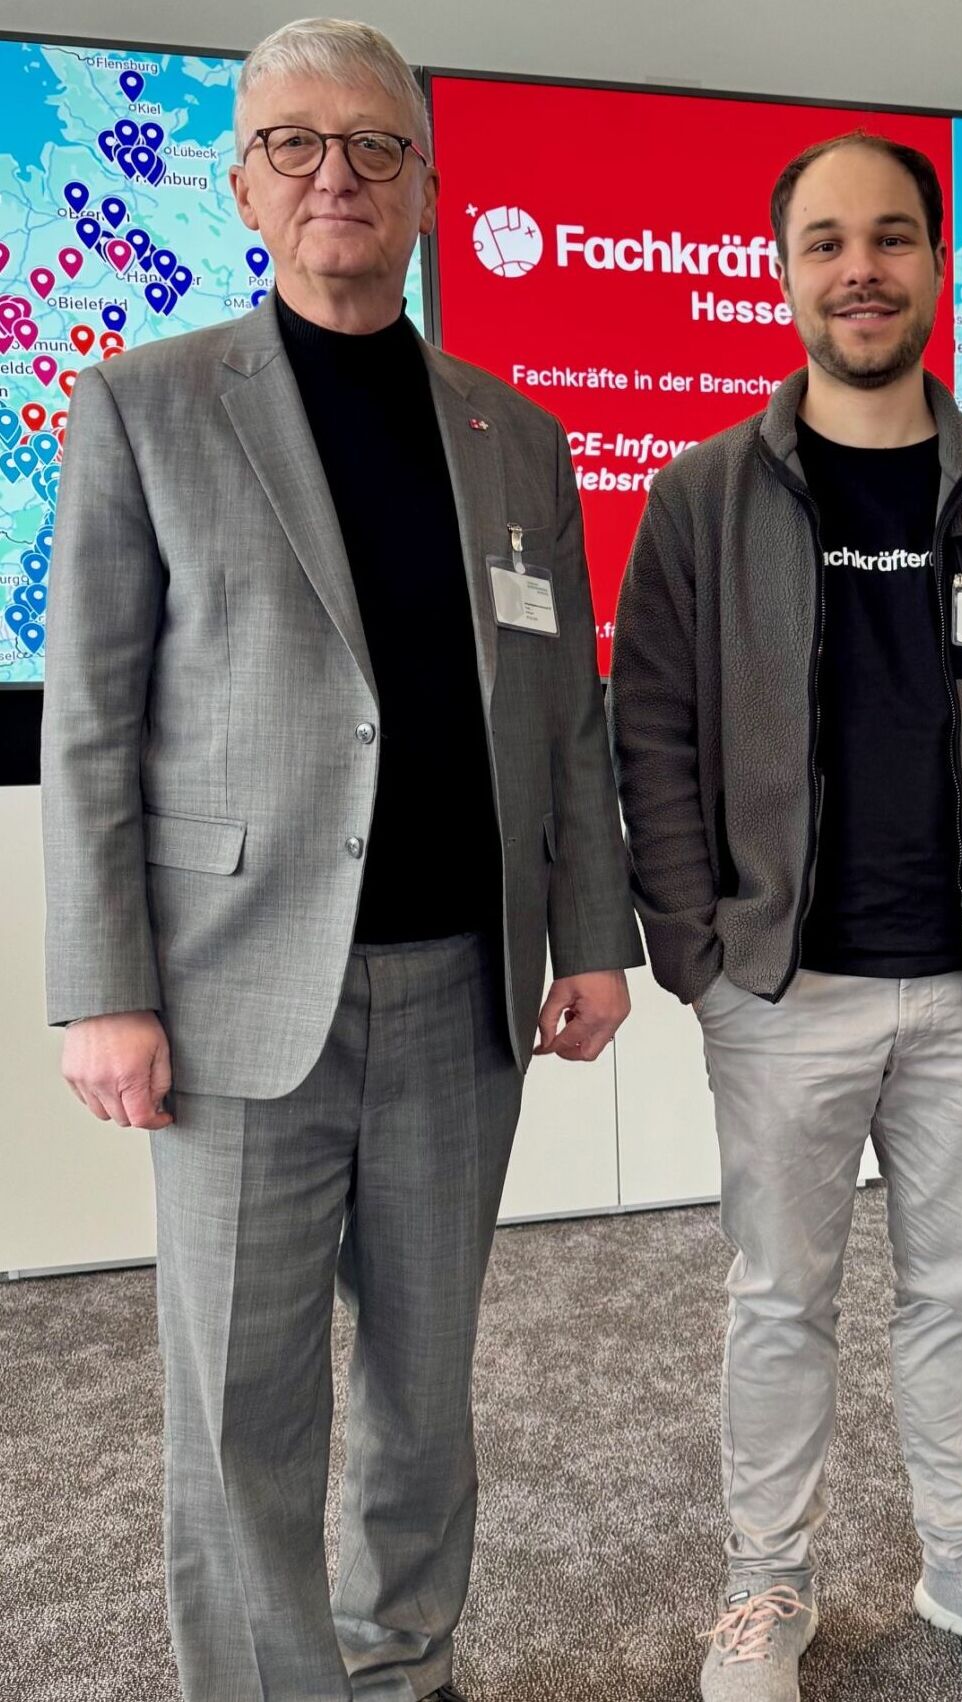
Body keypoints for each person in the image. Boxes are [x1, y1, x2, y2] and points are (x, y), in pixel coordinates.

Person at [40, 19, 642, 1700]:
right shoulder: (147, 405)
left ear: (428, 188)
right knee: (243, 1400)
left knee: (424, 1388)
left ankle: (403, 1662)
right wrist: (103, 989)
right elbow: (91, 721)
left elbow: (564, 713)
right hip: (236, 997)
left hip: (463, 993)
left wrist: (593, 933)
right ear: (242, 185)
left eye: (375, 144)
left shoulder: (518, 435)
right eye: (294, 144)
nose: (336, 174)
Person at [610, 131, 962, 1700]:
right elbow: (652, 731)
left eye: (893, 237)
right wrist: (695, 946)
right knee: (780, 1299)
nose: (861, 269)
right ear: (783, 273)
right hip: (783, 986)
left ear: (935, 264)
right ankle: (765, 1588)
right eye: (827, 241)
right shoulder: (704, 496)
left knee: (956, 1292)